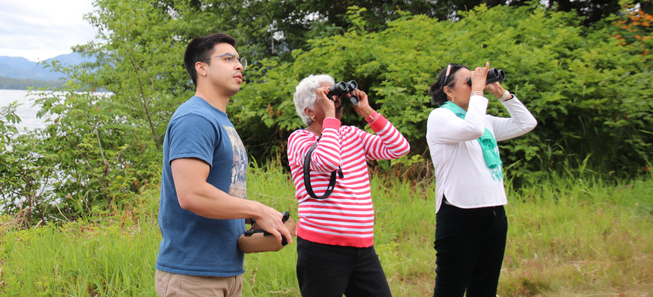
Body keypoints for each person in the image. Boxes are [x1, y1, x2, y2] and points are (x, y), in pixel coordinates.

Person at [155, 33, 293, 297]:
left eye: (239, 59)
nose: (239, 65)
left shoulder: (219, 120)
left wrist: (256, 217)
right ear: (202, 68)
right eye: (228, 58)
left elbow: (219, 193)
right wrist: (257, 208)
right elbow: (191, 194)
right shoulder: (194, 118)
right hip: (193, 276)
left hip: (226, 270)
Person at [287, 74, 411, 297]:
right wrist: (330, 120)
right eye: (326, 98)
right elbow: (328, 161)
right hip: (322, 247)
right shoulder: (299, 140)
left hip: (362, 247)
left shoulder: (351, 134)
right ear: (309, 111)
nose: (334, 102)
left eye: (335, 98)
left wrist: (368, 113)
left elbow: (398, 148)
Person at [426, 62, 538, 297]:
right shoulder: (440, 117)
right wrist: (478, 91)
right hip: (459, 214)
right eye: (469, 82)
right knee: (450, 290)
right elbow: (472, 129)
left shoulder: (483, 120)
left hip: (494, 213)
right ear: (449, 90)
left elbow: (527, 124)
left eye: (476, 80)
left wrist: (501, 93)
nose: (476, 84)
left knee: (485, 289)